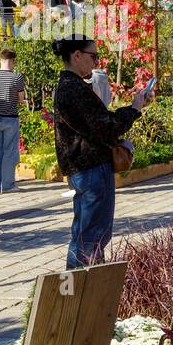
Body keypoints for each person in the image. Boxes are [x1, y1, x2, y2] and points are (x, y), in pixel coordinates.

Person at [52, 34, 149, 269]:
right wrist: (134, 108)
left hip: (85, 168)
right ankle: (82, 287)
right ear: (77, 56)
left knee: (86, 233)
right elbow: (104, 126)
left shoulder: (71, 86)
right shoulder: (72, 88)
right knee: (92, 235)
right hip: (91, 167)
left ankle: (80, 286)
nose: (96, 62)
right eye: (93, 56)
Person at [0, 49, 26, 193]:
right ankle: (7, 185)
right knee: (9, 152)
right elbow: (21, 100)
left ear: (0, 59)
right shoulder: (17, 77)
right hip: (10, 118)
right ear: (13, 60)